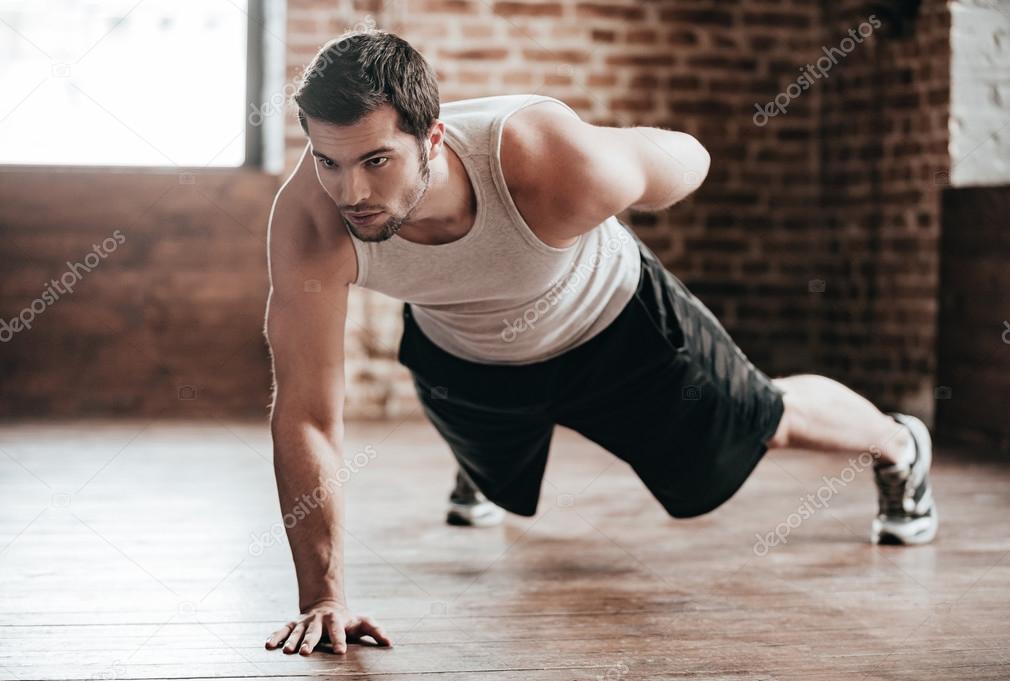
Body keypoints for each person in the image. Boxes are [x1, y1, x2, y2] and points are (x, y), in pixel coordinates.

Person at [262, 30, 937, 657]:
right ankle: (490, 459)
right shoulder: (312, 222)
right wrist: (323, 595)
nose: (351, 191)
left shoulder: (552, 163)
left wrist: (630, 158)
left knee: (763, 422)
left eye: (376, 160)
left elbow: (688, 157)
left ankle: (899, 442)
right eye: (328, 161)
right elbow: (307, 413)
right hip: (467, 359)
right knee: (490, 455)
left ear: (433, 139)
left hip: (618, 330)